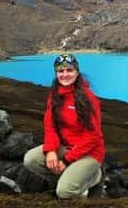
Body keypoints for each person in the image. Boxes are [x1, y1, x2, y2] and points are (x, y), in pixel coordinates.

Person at [23, 53, 105, 199]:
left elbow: (94, 136)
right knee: (31, 160)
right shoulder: (55, 95)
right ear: (56, 73)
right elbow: (50, 126)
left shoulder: (88, 98)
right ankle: (71, 180)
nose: (65, 74)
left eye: (69, 70)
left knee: (64, 192)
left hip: (89, 153)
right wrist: (51, 151)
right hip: (65, 147)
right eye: (61, 71)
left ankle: (95, 177)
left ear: (77, 72)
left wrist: (67, 160)